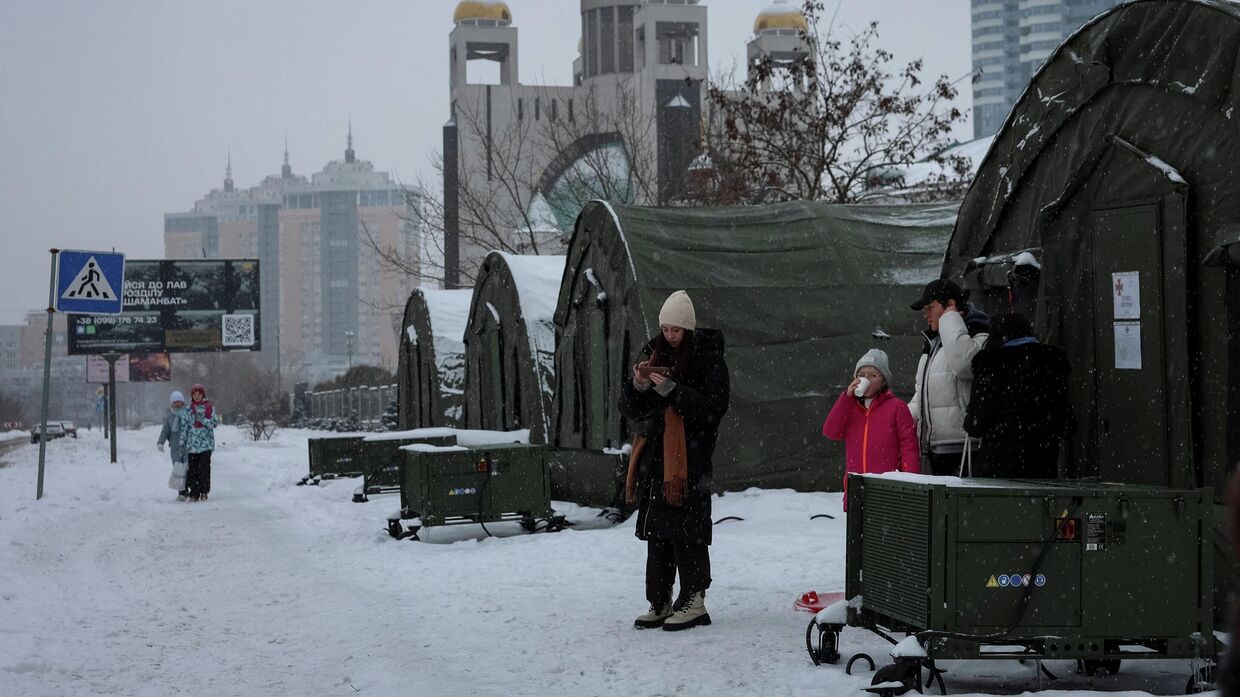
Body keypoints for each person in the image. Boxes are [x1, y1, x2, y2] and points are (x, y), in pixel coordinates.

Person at [618, 290, 730, 632]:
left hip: (690, 459)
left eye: (675, 330)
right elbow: (632, 411)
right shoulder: (654, 352)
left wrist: (673, 391)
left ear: (688, 329)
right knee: (658, 535)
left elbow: (713, 408)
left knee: (689, 532)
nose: (669, 335)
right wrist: (637, 385)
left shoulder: (708, 358)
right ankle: (660, 600)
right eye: (665, 328)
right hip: (657, 457)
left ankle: (694, 600)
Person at [963, 311, 1074, 479]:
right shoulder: (1051, 364)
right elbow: (1066, 423)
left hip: (997, 465)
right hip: (1042, 464)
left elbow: (976, 425)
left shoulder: (991, 365)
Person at [908, 279, 990, 475]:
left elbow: (964, 364)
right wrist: (902, 418)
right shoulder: (933, 342)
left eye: (930, 307)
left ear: (951, 305)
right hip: (934, 448)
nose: (925, 314)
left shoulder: (980, 335)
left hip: (966, 447)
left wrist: (950, 318)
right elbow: (922, 391)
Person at [822, 349, 920, 509]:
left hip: (888, 489)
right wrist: (846, 398)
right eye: (861, 374)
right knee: (857, 532)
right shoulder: (850, 406)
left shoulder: (897, 407)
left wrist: (911, 485)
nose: (865, 379)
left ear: (883, 381)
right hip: (856, 487)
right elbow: (830, 431)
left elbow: (909, 447)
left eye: (873, 375)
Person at [179, 383, 220, 502]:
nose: (197, 396)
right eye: (194, 394)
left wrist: (202, 420)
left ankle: (204, 491)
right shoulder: (188, 410)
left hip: (206, 445)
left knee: (204, 469)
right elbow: (185, 426)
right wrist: (182, 441)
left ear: (203, 395)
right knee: (192, 470)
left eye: (199, 394)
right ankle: (194, 492)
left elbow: (213, 423)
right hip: (192, 446)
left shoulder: (209, 408)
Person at [157, 390, 189, 501]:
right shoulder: (170, 417)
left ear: (183, 402)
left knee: (189, 469)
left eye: (179, 402)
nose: (177, 404)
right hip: (175, 449)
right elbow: (165, 431)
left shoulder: (187, 414)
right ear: (171, 403)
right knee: (179, 470)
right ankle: (181, 492)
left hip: (187, 447)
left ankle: (189, 489)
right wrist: (161, 442)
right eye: (174, 402)